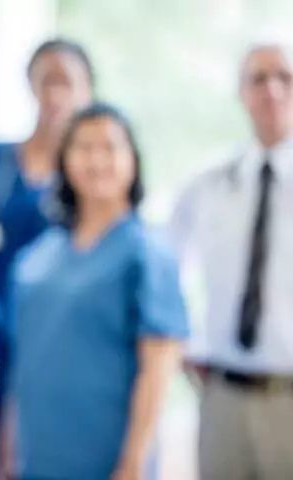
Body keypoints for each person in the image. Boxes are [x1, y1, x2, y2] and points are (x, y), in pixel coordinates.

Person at [0, 102, 188, 479]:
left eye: (110, 147)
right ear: (65, 161)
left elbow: (158, 367)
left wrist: (133, 463)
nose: (96, 159)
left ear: (132, 160)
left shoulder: (146, 253)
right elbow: (23, 364)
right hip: (36, 459)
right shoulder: (37, 256)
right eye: (83, 147)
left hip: (108, 461)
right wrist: (5, 454)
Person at [0, 38, 95, 471]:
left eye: (67, 82)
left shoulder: (91, 182)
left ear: (88, 92)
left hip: (46, 353)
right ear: (29, 86)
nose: (55, 95)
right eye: (46, 81)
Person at [169, 41, 293, 480]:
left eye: (285, 77)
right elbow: (168, 269)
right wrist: (182, 344)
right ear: (241, 93)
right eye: (259, 78)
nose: (273, 90)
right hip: (222, 396)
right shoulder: (207, 183)